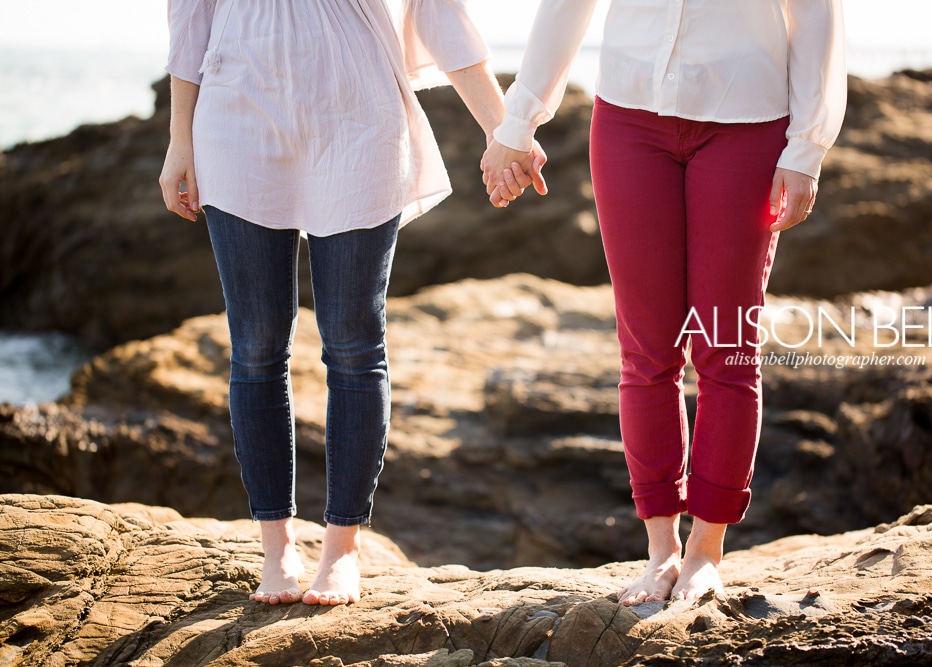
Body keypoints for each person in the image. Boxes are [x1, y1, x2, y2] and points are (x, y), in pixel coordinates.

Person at [159, 0, 545, 606]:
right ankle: (276, 548)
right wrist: (179, 139)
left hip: (359, 116)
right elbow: (192, 16)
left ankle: (342, 549)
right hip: (237, 115)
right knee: (256, 346)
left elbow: (438, 10)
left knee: (353, 343)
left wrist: (505, 129)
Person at [483, 0, 846, 604]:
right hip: (629, 119)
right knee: (647, 351)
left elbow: (816, 15)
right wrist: (516, 123)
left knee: (726, 348)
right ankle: (660, 551)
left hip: (748, 123)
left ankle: (706, 551)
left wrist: (806, 149)